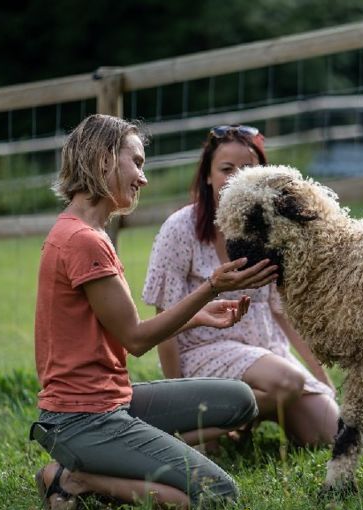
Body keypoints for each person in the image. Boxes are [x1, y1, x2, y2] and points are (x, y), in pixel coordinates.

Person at [30, 114, 279, 510]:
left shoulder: (85, 234)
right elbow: (138, 340)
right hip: (83, 419)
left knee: (241, 400)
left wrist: (198, 315)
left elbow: (120, 331)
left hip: (112, 402)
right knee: (218, 495)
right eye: (138, 162)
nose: (143, 179)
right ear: (105, 160)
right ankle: (72, 478)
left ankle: (126, 456)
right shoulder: (81, 241)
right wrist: (211, 287)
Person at [142, 125, 339, 448]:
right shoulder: (180, 229)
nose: (238, 177)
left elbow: (284, 315)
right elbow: (167, 324)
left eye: (249, 169)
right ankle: (184, 433)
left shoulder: (272, 232)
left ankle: (231, 422)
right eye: (226, 169)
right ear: (207, 176)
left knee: (330, 434)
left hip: (266, 353)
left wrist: (324, 381)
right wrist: (179, 400)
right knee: (286, 381)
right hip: (203, 354)